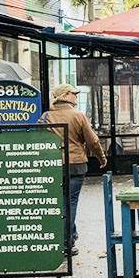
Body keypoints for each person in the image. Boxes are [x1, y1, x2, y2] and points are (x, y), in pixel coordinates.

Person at [40, 84, 107, 256]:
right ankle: (67, 242)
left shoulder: (46, 117)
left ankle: (68, 236)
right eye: (73, 94)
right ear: (64, 95)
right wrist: (101, 158)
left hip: (53, 166)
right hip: (76, 165)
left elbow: (37, 139)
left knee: (61, 201)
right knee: (70, 202)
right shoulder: (78, 116)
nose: (76, 97)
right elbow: (92, 141)